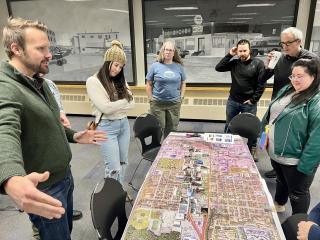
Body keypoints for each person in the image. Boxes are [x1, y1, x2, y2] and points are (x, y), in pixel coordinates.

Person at [0, 17, 106, 240]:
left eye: (48, 47)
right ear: (16, 49)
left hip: (64, 176)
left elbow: (49, 122)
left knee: (64, 231)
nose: (49, 54)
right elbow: (4, 129)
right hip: (45, 187)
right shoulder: (5, 88)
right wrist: (11, 178)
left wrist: (74, 136)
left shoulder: (38, 81)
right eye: (41, 48)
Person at [261, 58, 320, 215]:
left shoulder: (316, 100)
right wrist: (262, 140)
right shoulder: (288, 89)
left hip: (295, 159)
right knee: (281, 181)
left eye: (299, 76)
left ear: (313, 76)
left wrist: (306, 167)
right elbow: (270, 116)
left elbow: (317, 139)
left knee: (298, 193)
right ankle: (279, 204)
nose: (294, 79)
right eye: (292, 76)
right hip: (276, 151)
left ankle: (299, 224)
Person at [262, 27, 319, 179]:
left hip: (297, 109)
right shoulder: (280, 57)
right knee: (270, 137)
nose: (284, 47)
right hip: (277, 104)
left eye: (288, 43)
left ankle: (289, 172)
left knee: (289, 142)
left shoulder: (311, 60)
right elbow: (263, 78)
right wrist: (269, 65)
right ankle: (276, 166)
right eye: (282, 43)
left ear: (299, 42)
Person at [86, 40, 134, 184]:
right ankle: (111, 199)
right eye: (116, 65)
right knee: (113, 168)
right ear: (108, 62)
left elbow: (133, 105)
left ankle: (119, 191)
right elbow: (106, 108)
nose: (118, 69)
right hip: (106, 127)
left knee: (124, 162)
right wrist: (125, 100)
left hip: (124, 124)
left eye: (121, 66)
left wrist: (117, 104)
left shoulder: (120, 80)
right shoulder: (93, 81)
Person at [215, 39, 265, 153]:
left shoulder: (258, 64)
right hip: (233, 100)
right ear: (237, 51)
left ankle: (252, 147)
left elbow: (261, 84)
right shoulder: (234, 63)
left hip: (249, 103)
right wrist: (229, 54)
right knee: (229, 124)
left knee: (251, 128)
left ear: (249, 50)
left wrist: (253, 100)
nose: (242, 53)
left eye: (244, 51)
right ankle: (226, 144)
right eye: (240, 51)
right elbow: (218, 68)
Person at [146, 40, 186, 138]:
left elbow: (183, 83)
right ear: (163, 51)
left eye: (171, 50)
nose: (168, 52)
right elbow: (148, 84)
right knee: (158, 128)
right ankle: (157, 150)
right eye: (166, 50)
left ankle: (168, 150)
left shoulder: (179, 67)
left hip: (174, 104)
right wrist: (151, 99)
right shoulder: (155, 66)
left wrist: (181, 97)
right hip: (158, 104)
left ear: (174, 53)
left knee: (172, 130)